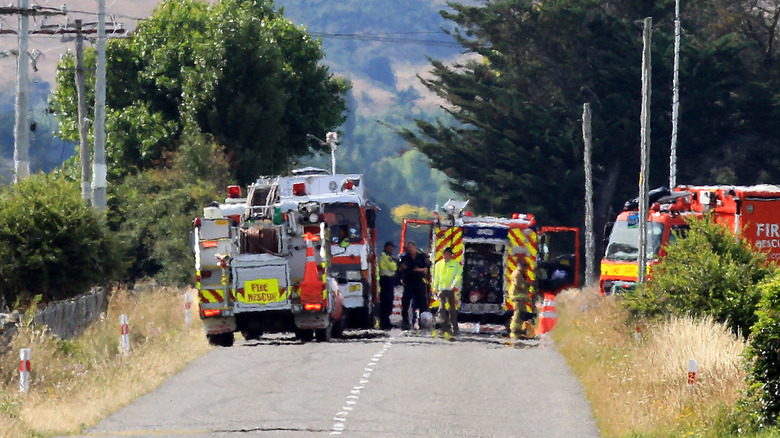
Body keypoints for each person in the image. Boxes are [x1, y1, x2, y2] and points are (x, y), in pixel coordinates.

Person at [398, 241, 430, 330]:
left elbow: (426, 269)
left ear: (415, 247)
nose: (410, 249)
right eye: (409, 248)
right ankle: (405, 321)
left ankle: (422, 321)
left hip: (419, 282)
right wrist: (402, 268)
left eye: (411, 247)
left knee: (422, 303)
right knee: (405, 302)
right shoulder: (405, 258)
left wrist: (419, 270)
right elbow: (400, 268)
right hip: (408, 283)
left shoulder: (421, 257)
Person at [433, 247, 461, 340]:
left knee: (452, 309)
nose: (445, 255)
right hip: (442, 289)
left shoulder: (455, 264)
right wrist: (434, 288)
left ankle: (454, 327)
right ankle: (443, 327)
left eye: (447, 254)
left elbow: (458, 275)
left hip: (450, 289)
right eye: (444, 253)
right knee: (442, 307)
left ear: (450, 254)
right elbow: (436, 277)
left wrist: (454, 284)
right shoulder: (438, 264)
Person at [507, 258, 534, 340]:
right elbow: (520, 285)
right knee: (517, 314)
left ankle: (519, 330)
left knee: (521, 313)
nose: (526, 270)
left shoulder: (520, 273)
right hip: (517, 296)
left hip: (520, 297)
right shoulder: (517, 274)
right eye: (525, 268)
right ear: (521, 267)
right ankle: (514, 331)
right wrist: (528, 284)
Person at [378, 241, 398, 330]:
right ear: (386, 247)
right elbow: (392, 267)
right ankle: (384, 322)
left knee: (389, 302)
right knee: (386, 302)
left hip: (389, 281)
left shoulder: (388, 256)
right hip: (386, 280)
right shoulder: (384, 256)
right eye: (391, 247)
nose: (392, 249)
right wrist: (395, 263)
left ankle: (386, 321)